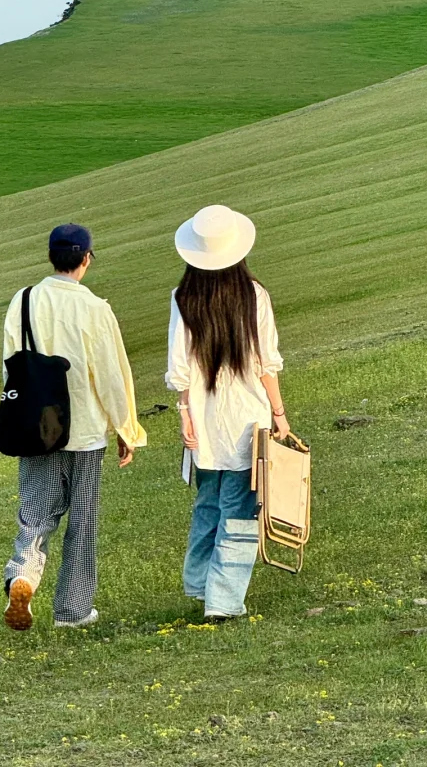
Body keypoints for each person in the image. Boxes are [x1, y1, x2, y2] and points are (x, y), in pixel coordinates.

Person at [2, 223, 146, 631]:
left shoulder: (24, 299)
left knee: (35, 512)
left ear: (51, 257)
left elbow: (11, 362)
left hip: (37, 426)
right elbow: (112, 375)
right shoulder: (95, 308)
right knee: (82, 521)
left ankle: (24, 575)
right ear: (86, 259)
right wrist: (127, 428)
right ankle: (73, 610)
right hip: (84, 431)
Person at [165, 204, 290, 621]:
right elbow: (265, 362)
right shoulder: (254, 295)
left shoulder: (183, 297)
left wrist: (184, 414)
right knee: (239, 507)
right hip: (245, 417)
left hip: (203, 419)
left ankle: (199, 582)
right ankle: (223, 599)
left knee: (209, 500)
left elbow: (179, 365)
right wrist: (280, 413)